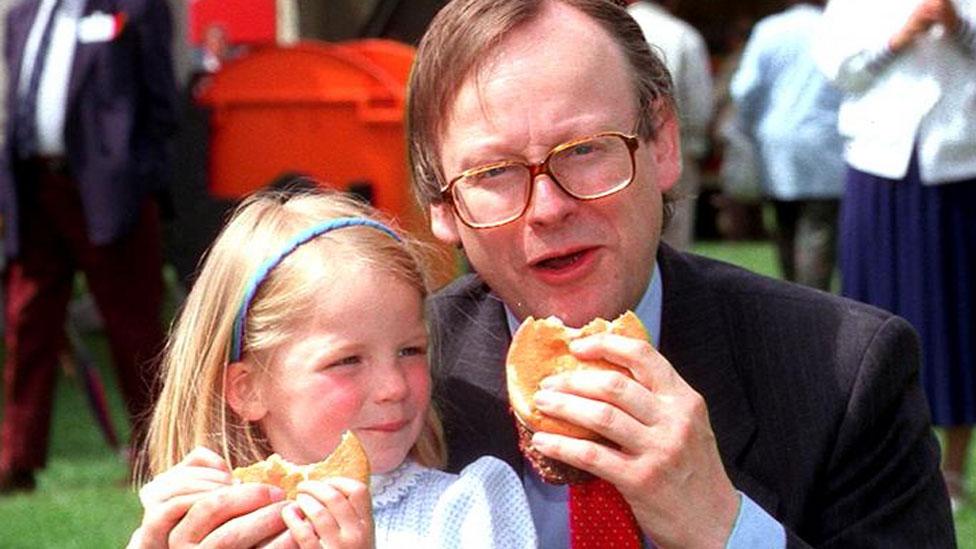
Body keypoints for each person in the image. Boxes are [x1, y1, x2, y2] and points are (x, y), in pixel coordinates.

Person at [133, 0, 955, 546]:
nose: (548, 206)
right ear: (441, 206)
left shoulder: (843, 369)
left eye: (585, 152)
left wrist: (723, 522)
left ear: (663, 143)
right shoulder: (397, 392)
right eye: (493, 173)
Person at [127, 189, 537, 548]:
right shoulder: (214, 525)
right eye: (347, 361)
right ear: (248, 390)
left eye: (410, 350)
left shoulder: (468, 508)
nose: (393, 387)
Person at [0, 0, 178, 492]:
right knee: (27, 321)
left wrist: (139, 180)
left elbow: (162, 103)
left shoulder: (136, 9)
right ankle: (16, 460)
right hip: (35, 189)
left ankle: (158, 454)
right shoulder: (20, 15)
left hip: (111, 193)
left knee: (133, 327)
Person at [815, 0, 976, 510]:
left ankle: (953, 469)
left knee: (958, 315)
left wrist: (958, 26)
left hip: (959, 163)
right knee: (870, 314)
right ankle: (874, 460)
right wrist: (899, 37)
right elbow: (840, 71)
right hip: (878, 160)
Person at [730, 0, 844, 291]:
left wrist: (748, 128)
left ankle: (794, 297)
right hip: (828, 144)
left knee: (784, 225)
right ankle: (813, 302)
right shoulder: (835, 27)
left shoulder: (769, 30)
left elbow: (745, 89)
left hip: (776, 144)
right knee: (818, 228)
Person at [625, 0, 712, 251]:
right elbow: (699, 104)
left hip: (614, 149)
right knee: (676, 232)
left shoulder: (601, 32)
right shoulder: (683, 34)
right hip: (674, 142)